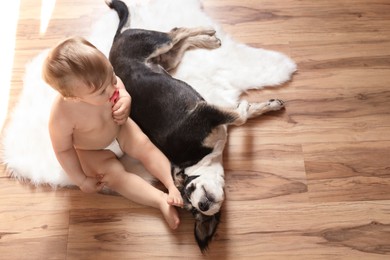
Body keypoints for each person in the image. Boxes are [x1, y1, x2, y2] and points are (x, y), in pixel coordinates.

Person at [42, 36, 183, 229]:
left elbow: (121, 90)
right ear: (74, 98)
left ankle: (172, 184)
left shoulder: (107, 83)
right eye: (102, 91)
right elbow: (63, 150)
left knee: (145, 146)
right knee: (114, 176)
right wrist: (81, 180)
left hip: (118, 127)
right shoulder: (61, 116)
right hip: (90, 150)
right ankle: (159, 200)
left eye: (112, 76)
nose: (111, 89)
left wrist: (125, 100)